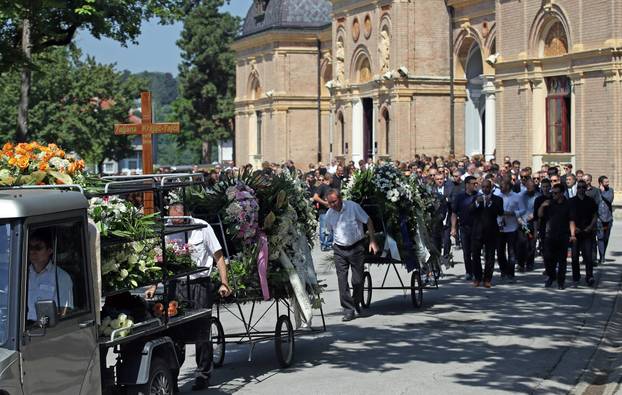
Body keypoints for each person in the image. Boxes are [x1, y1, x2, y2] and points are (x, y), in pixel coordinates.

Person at [145, 203, 231, 391]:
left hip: (199, 284)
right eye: (172, 220)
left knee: (201, 332)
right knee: (174, 333)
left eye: (179, 220)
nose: (175, 223)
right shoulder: (167, 231)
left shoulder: (202, 227)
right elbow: (160, 263)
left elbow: (218, 257)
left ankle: (202, 375)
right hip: (176, 286)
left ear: (186, 216)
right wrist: (153, 286)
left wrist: (224, 282)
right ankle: (172, 377)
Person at [324, 189, 379, 321]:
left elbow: (368, 221)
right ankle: (348, 310)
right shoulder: (329, 214)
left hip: (356, 247)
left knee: (357, 280)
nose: (333, 205)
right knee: (342, 280)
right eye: (330, 203)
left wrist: (372, 241)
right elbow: (329, 231)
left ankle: (356, 300)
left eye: (334, 201)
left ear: (340, 198)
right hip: (339, 249)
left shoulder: (353, 207)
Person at [27, 228, 74, 322]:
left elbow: (64, 311)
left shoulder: (61, 277)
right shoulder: (22, 275)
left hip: (45, 329)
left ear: (50, 250)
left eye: (38, 248)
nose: (33, 252)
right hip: (21, 328)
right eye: (30, 248)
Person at [538, 184, 576, 290]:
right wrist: (542, 206)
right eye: (552, 193)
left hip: (563, 235)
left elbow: (571, 220)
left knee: (562, 260)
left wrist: (573, 235)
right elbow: (540, 215)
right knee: (548, 258)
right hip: (550, 235)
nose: (553, 195)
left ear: (562, 193)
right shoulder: (550, 203)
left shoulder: (568, 205)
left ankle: (561, 282)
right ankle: (551, 276)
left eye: (555, 193)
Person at [470, 179, 504, 288]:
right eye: (483, 187)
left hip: (491, 232)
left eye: (487, 187)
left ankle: (487, 279)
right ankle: (477, 278)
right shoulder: (476, 198)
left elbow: (500, 212)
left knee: (490, 257)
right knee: (475, 256)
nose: (485, 189)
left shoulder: (497, 199)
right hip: (477, 232)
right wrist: (476, 203)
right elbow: (469, 211)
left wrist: (491, 204)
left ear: (491, 188)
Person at [569, 180, 598, 287]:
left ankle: (589, 276)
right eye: (579, 187)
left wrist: (590, 227)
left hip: (587, 232)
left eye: (583, 187)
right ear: (577, 189)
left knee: (588, 256)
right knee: (574, 257)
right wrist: (573, 229)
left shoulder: (590, 201)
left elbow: (595, 215)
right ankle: (576, 277)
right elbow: (568, 217)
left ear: (586, 188)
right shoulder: (571, 201)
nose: (581, 189)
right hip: (575, 232)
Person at [451, 176, 479, 280]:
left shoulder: (478, 196)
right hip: (463, 227)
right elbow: (454, 213)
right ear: (467, 184)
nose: (475, 185)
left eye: (476, 183)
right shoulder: (459, 197)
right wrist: (453, 228)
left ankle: (477, 271)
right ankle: (469, 272)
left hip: (476, 228)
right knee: (466, 252)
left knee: (475, 251)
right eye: (473, 183)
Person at [495, 177, 522, 282]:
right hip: (500, 227)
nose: (500, 187)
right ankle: (503, 271)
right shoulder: (497, 196)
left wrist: (513, 213)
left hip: (512, 227)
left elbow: (522, 210)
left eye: (502, 185)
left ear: (508, 186)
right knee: (500, 252)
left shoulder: (517, 197)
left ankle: (511, 273)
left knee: (512, 252)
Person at [516, 178, 539, 272]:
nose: (531, 188)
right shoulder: (520, 196)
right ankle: (521, 264)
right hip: (522, 223)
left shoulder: (538, 196)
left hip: (534, 223)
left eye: (532, 187)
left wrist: (534, 214)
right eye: (529, 187)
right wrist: (519, 219)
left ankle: (530, 263)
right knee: (522, 243)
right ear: (526, 186)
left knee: (532, 243)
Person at [313, 174, 334, 251]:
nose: (333, 180)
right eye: (332, 178)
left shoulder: (329, 187)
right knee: (323, 229)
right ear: (329, 178)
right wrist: (325, 203)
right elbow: (315, 197)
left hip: (330, 211)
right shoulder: (322, 186)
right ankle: (323, 245)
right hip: (323, 211)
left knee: (330, 228)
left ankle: (328, 244)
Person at [597, 175, 614, 264]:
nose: (608, 183)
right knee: (600, 238)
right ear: (600, 183)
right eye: (606, 182)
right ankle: (602, 256)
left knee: (606, 238)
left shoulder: (610, 190)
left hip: (608, 219)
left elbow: (610, 199)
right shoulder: (596, 191)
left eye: (608, 182)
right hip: (599, 219)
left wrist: (603, 192)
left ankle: (602, 254)